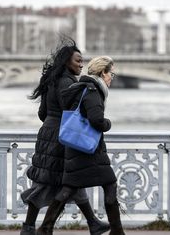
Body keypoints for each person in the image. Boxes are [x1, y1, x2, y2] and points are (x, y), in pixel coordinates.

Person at [21, 38, 110, 235]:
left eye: (82, 61)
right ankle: (29, 228)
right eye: (78, 61)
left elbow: (42, 113)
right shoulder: (68, 82)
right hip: (62, 137)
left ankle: (93, 223)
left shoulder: (51, 80)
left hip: (48, 132)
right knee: (48, 182)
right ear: (66, 62)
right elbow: (73, 112)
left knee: (69, 180)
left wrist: (52, 121)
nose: (81, 65)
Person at [36, 56, 125, 235]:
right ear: (103, 72)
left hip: (75, 146)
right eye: (111, 74)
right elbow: (96, 120)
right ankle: (117, 231)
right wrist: (108, 124)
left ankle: (45, 228)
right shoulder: (93, 90)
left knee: (69, 187)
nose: (111, 78)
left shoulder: (80, 88)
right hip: (89, 148)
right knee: (110, 184)